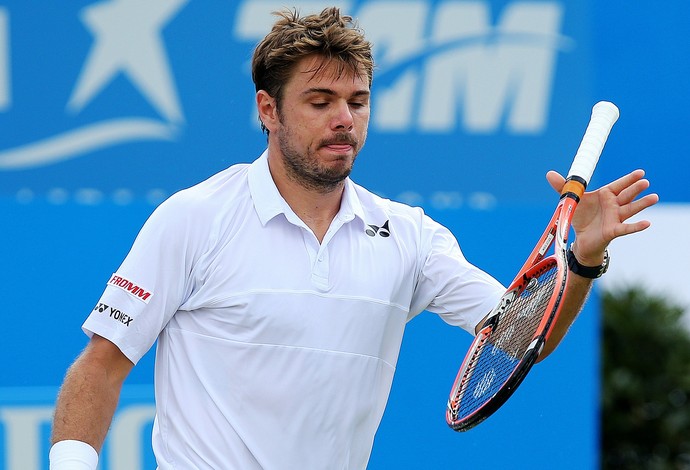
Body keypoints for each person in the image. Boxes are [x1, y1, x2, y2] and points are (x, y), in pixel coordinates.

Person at [49, 7, 659, 470]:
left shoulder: (411, 237)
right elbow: (101, 366)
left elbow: (519, 340)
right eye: (320, 101)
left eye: (357, 100)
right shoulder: (193, 218)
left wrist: (580, 260)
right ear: (268, 110)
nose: (344, 117)